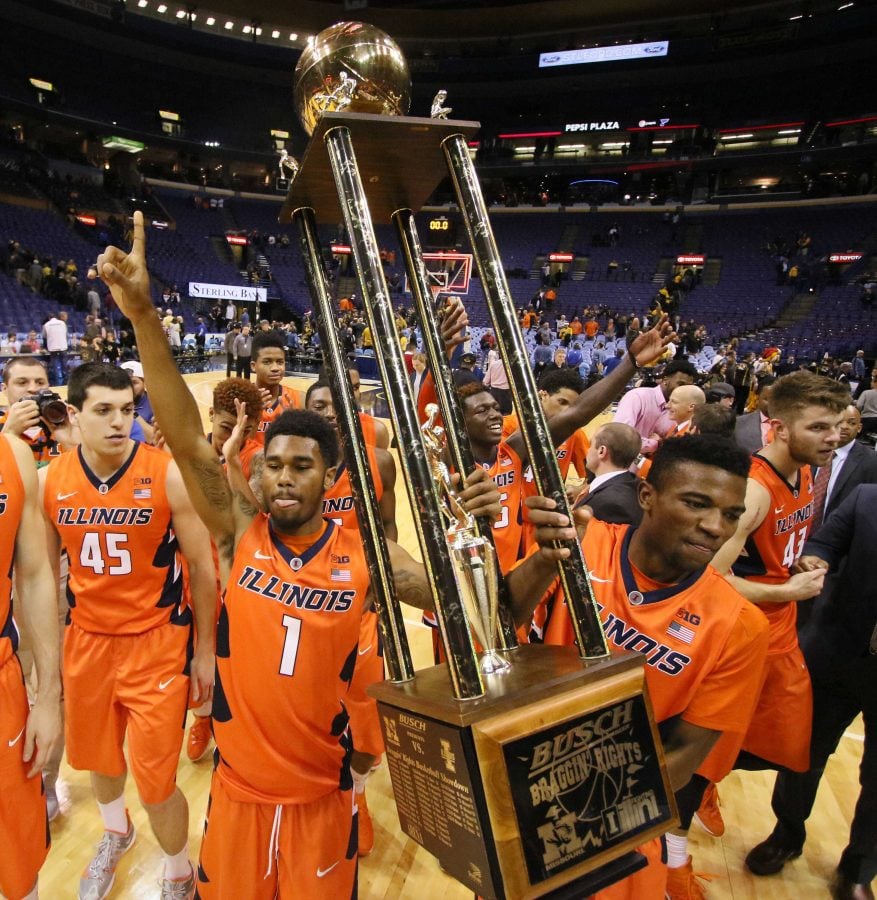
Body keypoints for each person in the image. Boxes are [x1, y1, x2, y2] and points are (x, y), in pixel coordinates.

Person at [95, 210, 502, 898]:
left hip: (320, 799)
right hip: (239, 794)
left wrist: (476, 541)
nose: (284, 474)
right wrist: (143, 319)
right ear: (257, 475)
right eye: (274, 462)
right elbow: (188, 439)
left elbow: (471, 604)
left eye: (302, 464)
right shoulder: (237, 532)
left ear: (327, 476)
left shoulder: (369, 561)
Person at [512, 435, 770, 900]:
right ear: (647, 496)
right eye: (696, 504)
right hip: (516, 791)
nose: (715, 526)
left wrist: (573, 814)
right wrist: (545, 562)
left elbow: (685, 756)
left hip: (618, 819)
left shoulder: (740, 626)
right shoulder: (584, 544)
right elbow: (503, 619)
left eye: (732, 515)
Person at [40, 362, 217, 899]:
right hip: (87, 642)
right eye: (103, 411)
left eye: (126, 409)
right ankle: (117, 833)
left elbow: (203, 571)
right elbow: (45, 582)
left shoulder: (164, 472)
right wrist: (44, 673)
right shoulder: (50, 480)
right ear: (74, 415)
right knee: (100, 759)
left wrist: (204, 651)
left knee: (158, 778)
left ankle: (179, 871)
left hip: (157, 643)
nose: (120, 422)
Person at [694, 372, 849, 861]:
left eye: (838, 426)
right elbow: (710, 578)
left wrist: (797, 560)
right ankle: (692, 789)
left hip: (778, 624)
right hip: (743, 629)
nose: (835, 437)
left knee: (785, 738)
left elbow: (773, 549)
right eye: (819, 428)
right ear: (779, 428)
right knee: (731, 735)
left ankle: (700, 780)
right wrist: (786, 589)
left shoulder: (806, 471)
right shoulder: (755, 490)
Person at [744, 485, 877, 898]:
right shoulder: (867, 498)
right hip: (837, 653)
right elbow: (822, 543)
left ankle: (859, 869)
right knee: (803, 755)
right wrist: (816, 559)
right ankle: (787, 834)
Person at [0, 430, 62, 900]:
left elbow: (36, 574)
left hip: (3, 683)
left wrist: (48, 696)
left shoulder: (14, 457)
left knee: (19, 864)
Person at [613, 360, 698, 454]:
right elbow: (619, 436)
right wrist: (654, 444)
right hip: (622, 463)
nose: (684, 389)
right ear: (665, 380)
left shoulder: (683, 410)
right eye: (681, 384)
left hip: (653, 465)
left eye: (688, 386)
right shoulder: (637, 397)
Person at [572, 423, 643, 525]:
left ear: (601, 451)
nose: (588, 450)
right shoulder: (634, 482)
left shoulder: (611, 505)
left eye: (590, 444)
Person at [249, 329, 299, 446]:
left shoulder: (297, 399)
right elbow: (234, 445)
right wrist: (254, 417)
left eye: (280, 362)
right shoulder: (241, 399)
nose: (275, 368)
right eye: (267, 362)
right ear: (253, 366)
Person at [734, 375, 777, 455]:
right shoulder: (739, 423)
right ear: (757, 398)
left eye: (777, 399)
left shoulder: (793, 425)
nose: (772, 403)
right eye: (767, 399)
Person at [120, 360, 156, 443]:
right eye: (123, 383)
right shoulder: (113, 404)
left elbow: (154, 439)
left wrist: (132, 413)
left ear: (145, 383)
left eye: (134, 383)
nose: (129, 387)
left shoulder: (155, 405)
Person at [41, 310, 68, 386]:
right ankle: (66, 383)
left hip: (53, 348)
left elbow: (44, 337)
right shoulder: (62, 323)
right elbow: (65, 334)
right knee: (64, 366)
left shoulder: (46, 325)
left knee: (56, 366)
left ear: (49, 318)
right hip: (63, 347)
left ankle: (58, 384)